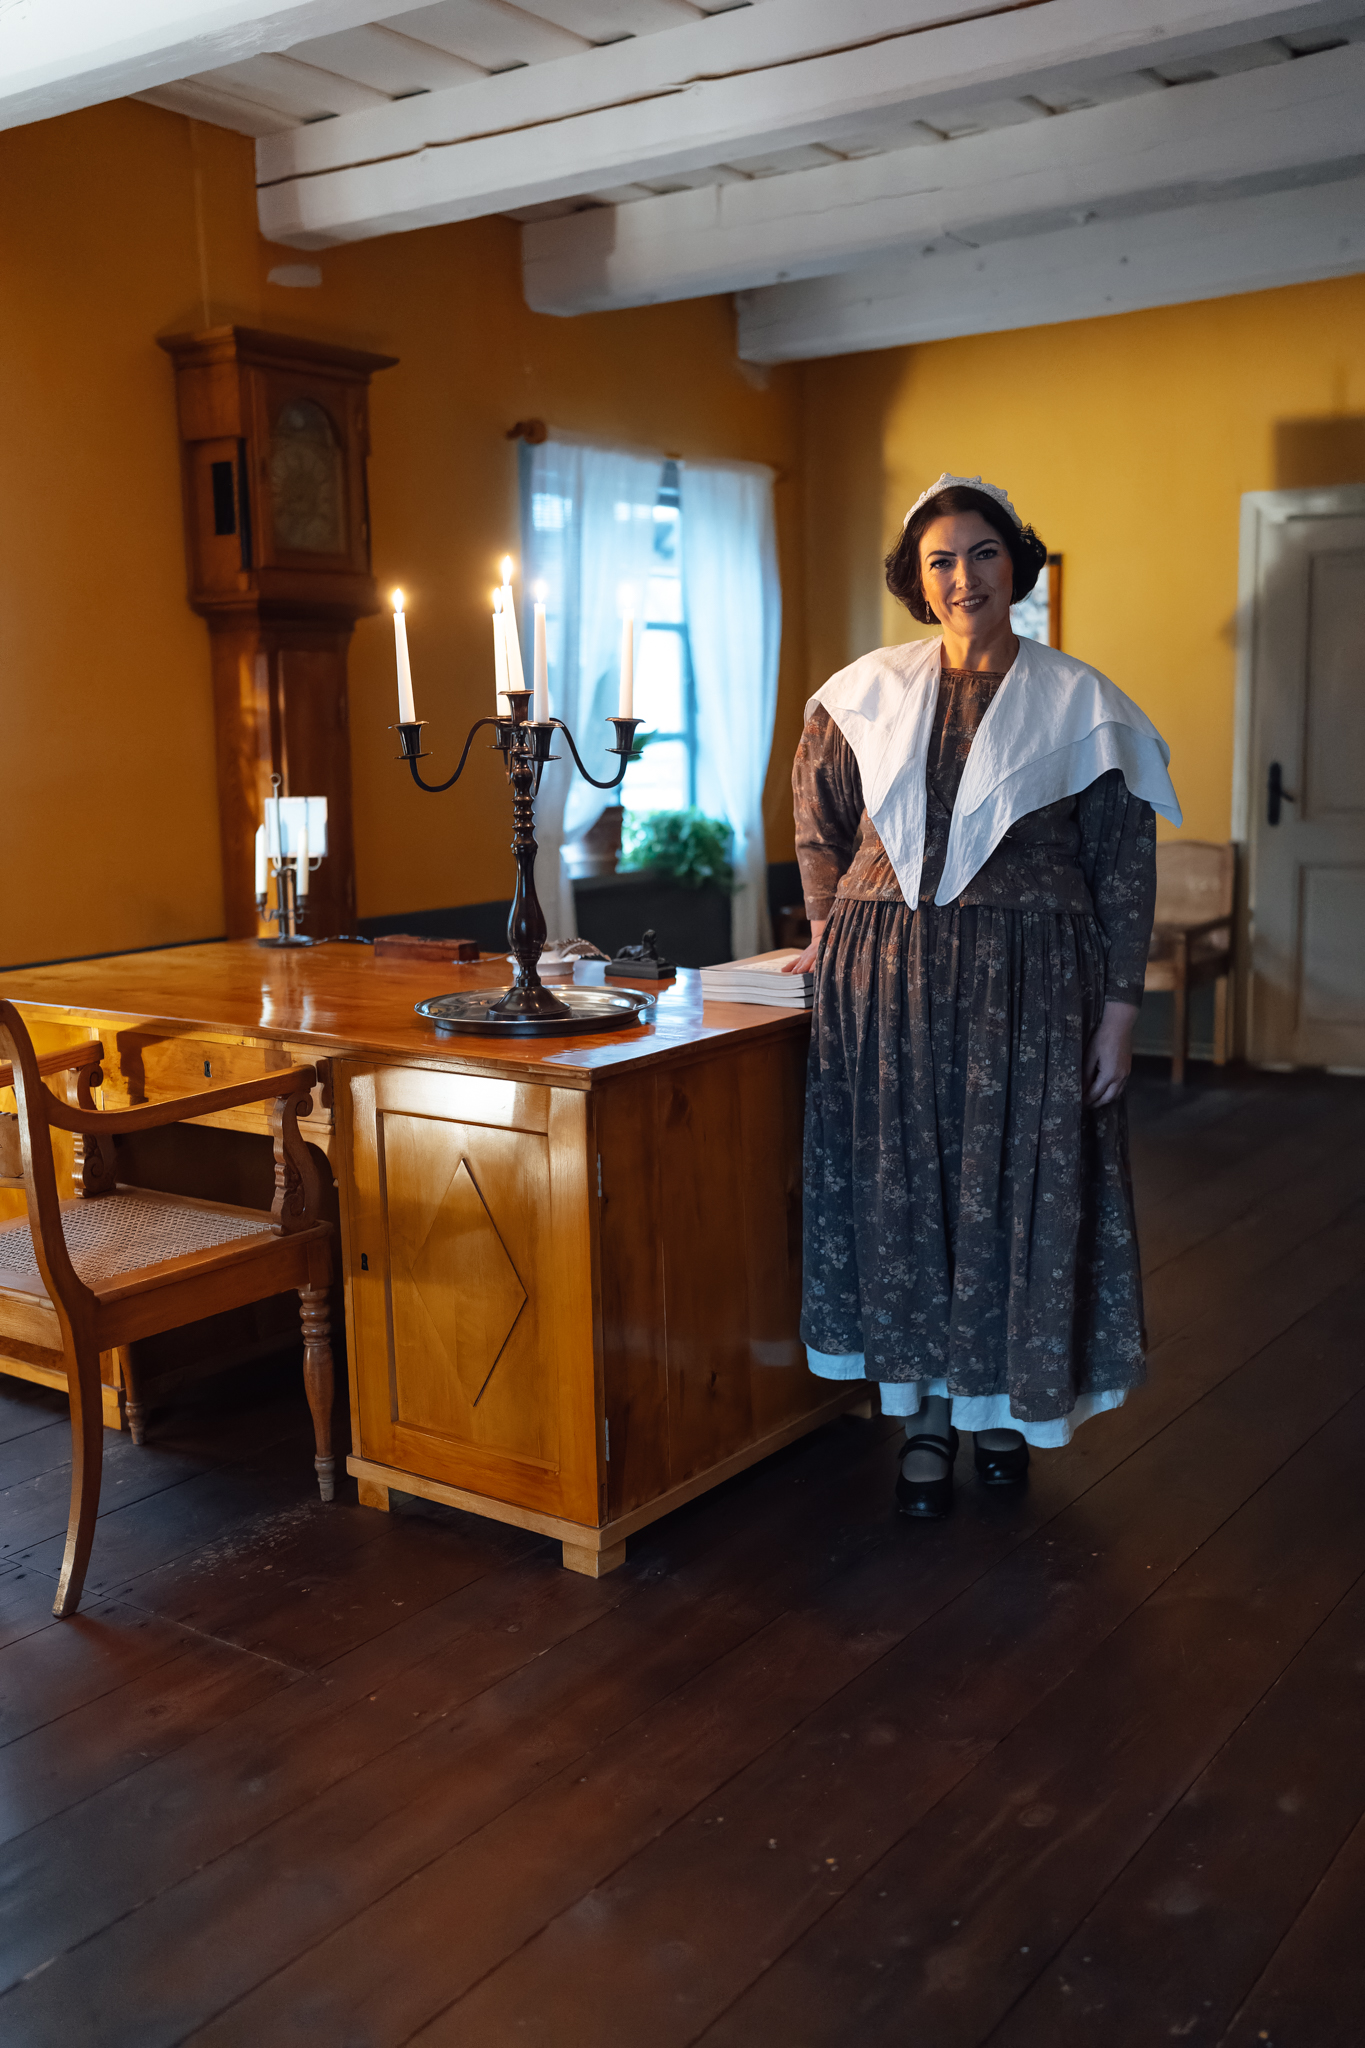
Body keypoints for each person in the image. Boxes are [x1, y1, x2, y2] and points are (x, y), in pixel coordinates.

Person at [784, 473, 1181, 1517]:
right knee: (904, 1193)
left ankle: (1000, 1411)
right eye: (941, 561)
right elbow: (818, 822)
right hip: (885, 986)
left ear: (1017, 563)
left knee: (1015, 1190)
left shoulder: (1083, 703)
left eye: (984, 552)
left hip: (1032, 989)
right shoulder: (862, 693)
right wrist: (825, 930)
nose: (965, 576)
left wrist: (1120, 1011)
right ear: (917, 581)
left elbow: (1122, 868)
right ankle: (921, 1415)